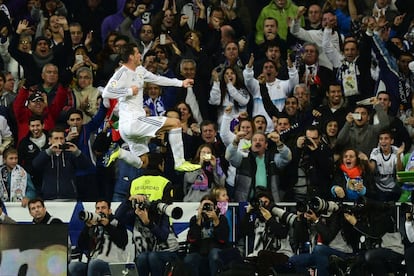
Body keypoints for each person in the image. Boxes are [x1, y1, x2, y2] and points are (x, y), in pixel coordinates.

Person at [102, 43, 195, 171]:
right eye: (137, 53)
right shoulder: (122, 73)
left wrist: (181, 83)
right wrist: (128, 91)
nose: (140, 55)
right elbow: (107, 92)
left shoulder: (140, 70)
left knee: (143, 162)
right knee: (175, 123)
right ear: (131, 57)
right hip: (133, 122)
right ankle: (179, 162)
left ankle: (120, 153)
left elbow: (157, 79)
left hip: (131, 129)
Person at [115, 193, 179, 276]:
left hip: (168, 252)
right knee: (142, 257)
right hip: (147, 254)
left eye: (144, 202)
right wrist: (129, 200)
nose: (142, 206)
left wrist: (148, 223)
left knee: (152, 257)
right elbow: (118, 216)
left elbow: (163, 236)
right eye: (139, 203)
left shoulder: (159, 214)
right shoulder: (134, 216)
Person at [238, 189, 294, 275]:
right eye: (260, 202)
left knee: (263, 255)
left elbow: (282, 233)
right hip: (259, 256)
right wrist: (248, 214)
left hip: (282, 254)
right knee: (239, 262)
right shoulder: (257, 219)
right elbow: (243, 231)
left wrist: (270, 219)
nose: (263, 205)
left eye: (265, 202)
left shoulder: (279, 216)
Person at [226, 131, 291, 202]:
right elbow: (229, 156)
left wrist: (279, 143)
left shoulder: (273, 159)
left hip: (270, 201)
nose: (257, 142)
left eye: (261, 140)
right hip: (246, 201)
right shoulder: (243, 159)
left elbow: (287, 158)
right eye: (254, 140)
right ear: (251, 144)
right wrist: (236, 141)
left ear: (266, 145)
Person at [69, 199, 128, 276]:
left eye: (103, 208)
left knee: (94, 264)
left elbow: (122, 242)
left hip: (112, 264)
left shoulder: (117, 223)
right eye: (98, 208)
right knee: (74, 267)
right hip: (94, 263)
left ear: (109, 211)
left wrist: (107, 226)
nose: (100, 211)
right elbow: (82, 245)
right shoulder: (94, 226)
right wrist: (87, 227)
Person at [32, 127, 92, 200]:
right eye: (56, 138)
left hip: (69, 197)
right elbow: (35, 165)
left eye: (61, 138)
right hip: (49, 198)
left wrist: (77, 152)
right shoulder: (45, 153)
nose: (59, 141)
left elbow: (86, 166)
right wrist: (49, 151)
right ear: (50, 140)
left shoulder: (70, 154)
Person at [184, 195, 229, 276]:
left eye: (209, 206)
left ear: (215, 207)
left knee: (215, 255)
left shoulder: (221, 219)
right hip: (199, 252)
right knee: (189, 259)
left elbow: (223, 239)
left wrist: (216, 221)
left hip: (216, 250)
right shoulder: (195, 219)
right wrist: (198, 221)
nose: (207, 208)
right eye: (204, 206)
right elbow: (191, 239)